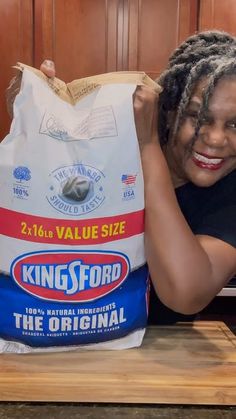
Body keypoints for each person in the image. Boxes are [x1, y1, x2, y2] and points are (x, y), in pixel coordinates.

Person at [6, 31, 236, 324]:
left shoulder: (229, 192)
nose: (216, 139)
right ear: (169, 111)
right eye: (198, 117)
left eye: (234, 124)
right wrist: (33, 119)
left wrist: (147, 145)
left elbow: (186, 292)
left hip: (155, 357)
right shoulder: (107, 153)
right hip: (56, 329)